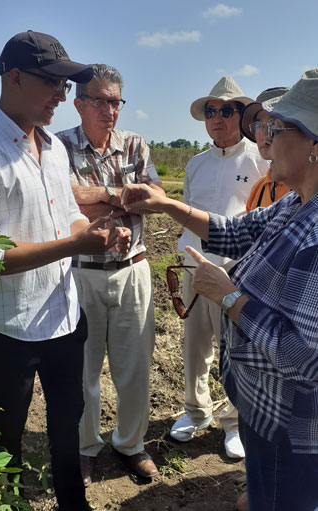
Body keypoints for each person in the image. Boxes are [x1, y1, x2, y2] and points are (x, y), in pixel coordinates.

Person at [0, 32, 131, 511]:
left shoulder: (53, 148)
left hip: (64, 314)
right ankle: (8, 503)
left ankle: (72, 502)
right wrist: (75, 243)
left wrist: (96, 229)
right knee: (9, 433)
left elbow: (69, 215)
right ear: (14, 77)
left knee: (67, 420)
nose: (62, 97)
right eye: (53, 83)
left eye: (66, 87)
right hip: (11, 326)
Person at [121, 68, 318, 511]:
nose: (265, 135)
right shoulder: (294, 203)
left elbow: (302, 355)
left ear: (314, 146)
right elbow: (233, 230)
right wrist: (167, 204)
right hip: (263, 410)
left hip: (293, 425)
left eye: (278, 127)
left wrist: (230, 297)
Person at [56, 64, 164, 485]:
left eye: (115, 101)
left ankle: (130, 444)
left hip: (132, 269)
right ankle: (84, 447)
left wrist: (95, 202)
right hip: (80, 272)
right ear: (79, 102)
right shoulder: (58, 145)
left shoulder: (135, 144)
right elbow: (59, 200)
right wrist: (114, 195)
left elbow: (155, 199)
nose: (110, 110)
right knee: (83, 369)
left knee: (135, 366)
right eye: (100, 101)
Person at [169, 76, 268, 458]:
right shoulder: (195, 165)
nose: (218, 118)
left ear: (241, 115)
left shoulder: (259, 159)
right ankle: (196, 412)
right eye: (211, 111)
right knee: (195, 347)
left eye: (227, 110)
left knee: (235, 350)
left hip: (236, 272)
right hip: (194, 267)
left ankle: (233, 421)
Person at [241, 87, 291, 212]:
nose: (264, 133)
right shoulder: (259, 188)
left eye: (273, 123)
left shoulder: (308, 186)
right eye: (258, 125)